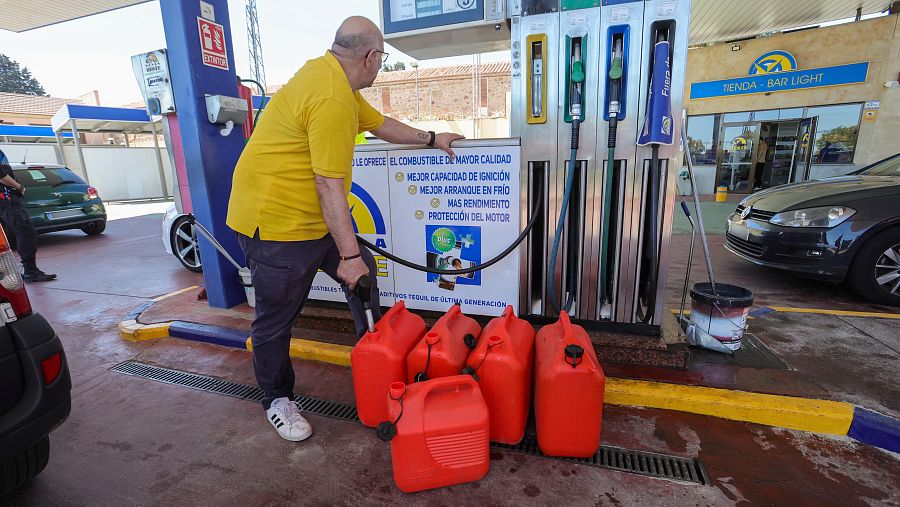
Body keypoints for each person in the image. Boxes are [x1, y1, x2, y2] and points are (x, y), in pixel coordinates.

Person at [227, 16, 464, 442]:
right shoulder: (332, 95)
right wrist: (349, 256)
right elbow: (328, 183)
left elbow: (380, 124)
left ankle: (375, 358)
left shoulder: (336, 79)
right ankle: (277, 400)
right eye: (382, 59)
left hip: (314, 216)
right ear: (370, 57)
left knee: (363, 280)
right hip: (277, 223)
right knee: (277, 318)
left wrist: (432, 138)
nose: (380, 65)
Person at [0, 150, 56, 282]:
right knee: (25, 231)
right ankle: (30, 271)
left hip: (7, 199)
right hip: (6, 199)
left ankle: (29, 270)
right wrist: (19, 187)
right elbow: (1, 176)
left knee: (19, 233)